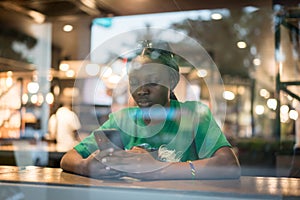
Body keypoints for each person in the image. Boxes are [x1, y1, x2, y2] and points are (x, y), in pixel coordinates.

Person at [60, 44, 240, 180]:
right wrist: (85, 167)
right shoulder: (123, 119)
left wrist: (158, 169)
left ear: (171, 82)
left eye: (152, 82)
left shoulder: (194, 115)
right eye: (134, 82)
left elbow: (229, 165)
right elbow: (69, 158)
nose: (141, 90)